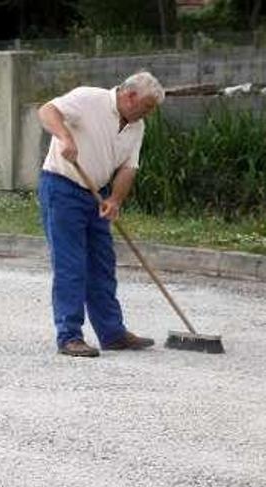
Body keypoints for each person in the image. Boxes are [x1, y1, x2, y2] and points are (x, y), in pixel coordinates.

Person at [37, 72, 165, 357]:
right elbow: (47, 111)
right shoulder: (88, 98)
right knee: (72, 265)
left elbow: (129, 167)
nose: (148, 113)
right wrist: (65, 137)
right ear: (130, 96)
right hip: (62, 187)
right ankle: (69, 336)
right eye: (146, 106)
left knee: (102, 266)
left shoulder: (136, 126)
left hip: (98, 195)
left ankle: (112, 333)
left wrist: (115, 199)